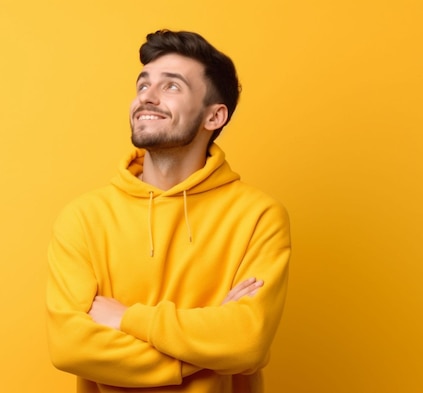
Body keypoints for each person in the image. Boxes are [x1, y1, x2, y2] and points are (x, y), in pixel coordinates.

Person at [46, 30, 291, 393]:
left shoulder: (258, 216)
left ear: (214, 116)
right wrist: (212, 343)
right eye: (143, 85)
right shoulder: (84, 217)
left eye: (172, 87)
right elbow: (71, 348)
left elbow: (247, 343)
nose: (148, 97)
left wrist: (128, 318)